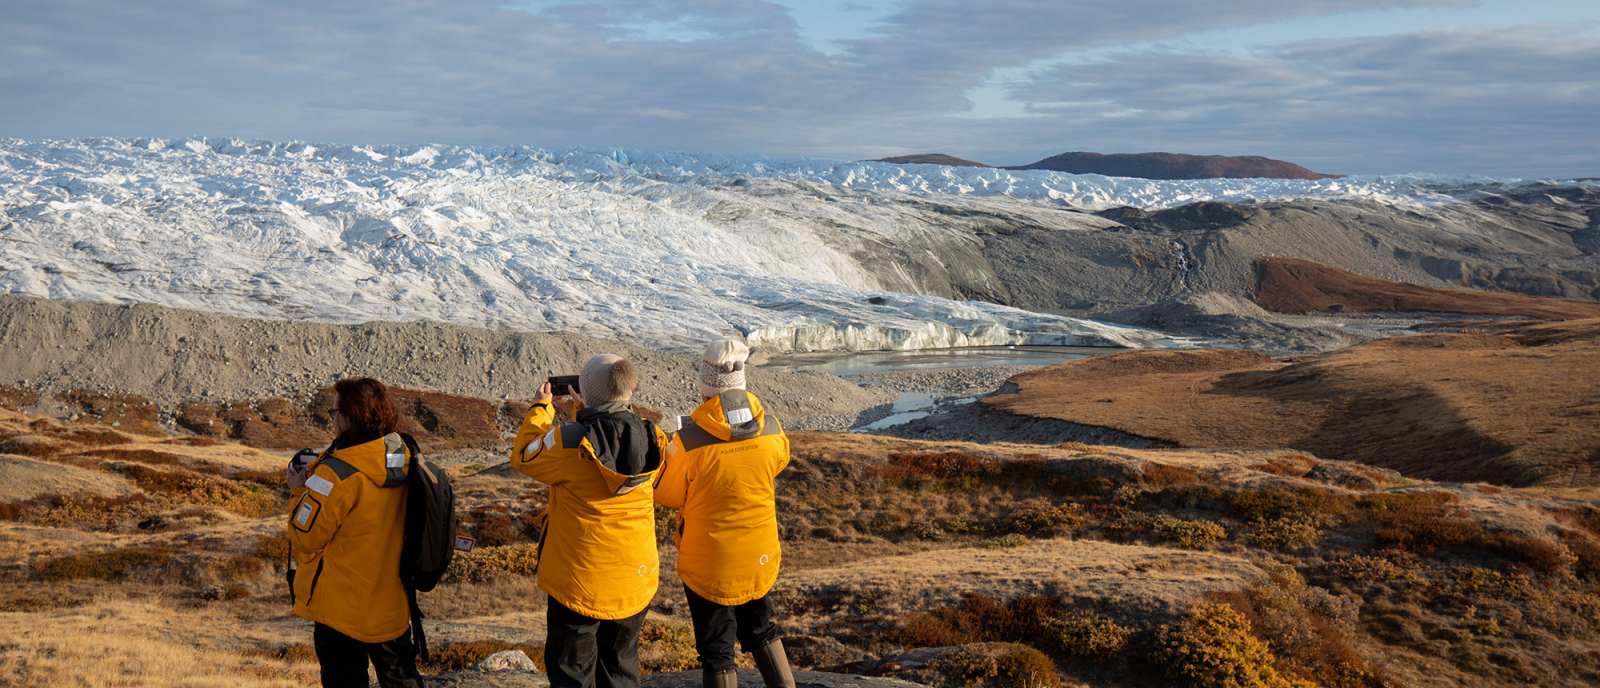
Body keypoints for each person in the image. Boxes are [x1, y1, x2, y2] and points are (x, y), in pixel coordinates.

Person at [511, 354, 667, 688]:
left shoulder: (570, 442)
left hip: (580, 583)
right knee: (620, 668)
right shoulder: (654, 437)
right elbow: (612, 439)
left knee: (573, 674)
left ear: (584, 394)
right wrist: (588, 410)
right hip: (634, 579)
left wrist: (542, 409)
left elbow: (525, 455)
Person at [655, 338, 796, 688]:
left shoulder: (687, 443)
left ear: (705, 386)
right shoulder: (772, 429)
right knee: (762, 628)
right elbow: (778, 462)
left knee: (717, 650)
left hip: (710, 562)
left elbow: (667, 494)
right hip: (759, 555)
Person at [286, 378, 424, 688]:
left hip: (341, 610)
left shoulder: (336, 474)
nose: (331, 419)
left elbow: (305, 537)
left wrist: (298, 491)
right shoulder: (403, 456)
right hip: (392, 603)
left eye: (334, 412)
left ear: (350, 416)